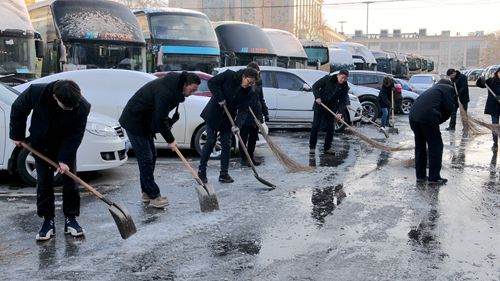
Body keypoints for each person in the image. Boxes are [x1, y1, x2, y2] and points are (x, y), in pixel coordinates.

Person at [9, 80, 91, 241]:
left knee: (70, 182)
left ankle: (71, 219)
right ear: (55, 97)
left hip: (64, 144)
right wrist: (17, 135)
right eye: (65, 106)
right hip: (41, 144)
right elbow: (18, 108)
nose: (70, 110)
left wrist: (65, 159)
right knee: (44, 182)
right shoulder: (36, 92)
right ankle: (48, 221)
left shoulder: (83, 106)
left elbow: (76, 134)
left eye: (72, 107)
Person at [119, 72, 200, 208]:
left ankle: (146, 191)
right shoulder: (167, 92)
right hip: (134, 121)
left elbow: (158, 115)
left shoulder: (175, 89)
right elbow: (160, 119)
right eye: (192, 89)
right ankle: (153, 195)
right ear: (185, 84)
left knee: (152, 156)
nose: (192, 93)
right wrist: (171, 140)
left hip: (145, 122)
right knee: (146, 158)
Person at [197, 67, 259, 183]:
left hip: (227, 119)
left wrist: (237, 125)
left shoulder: (249, 92)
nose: (249, 85)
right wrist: (220, 98)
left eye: (252, 83)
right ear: (244, 76)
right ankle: (201, 172)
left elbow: (243, 110)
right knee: (210, 142)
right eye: (249, 82)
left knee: (226, 145)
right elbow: (212, 83)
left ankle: (224, 174)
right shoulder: (229, 75)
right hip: (214, 114)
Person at [409, 79, 458, 185]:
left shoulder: (433, 89)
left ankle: (420, 176)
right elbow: (449, 108)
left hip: (413, 117)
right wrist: (439, 120)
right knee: (436, 146)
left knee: (420, 147)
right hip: (427, 118)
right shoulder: (449, 89)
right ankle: (434, 178)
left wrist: (436, 120)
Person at [309, 69, 352, 155]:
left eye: (345, 79)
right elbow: (315, 86)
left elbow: (343, 101)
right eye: (342, 77)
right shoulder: (327, 79)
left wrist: (339, 112)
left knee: (331, 128)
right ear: (338, 75)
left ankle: (327, 148)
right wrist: (317, 97)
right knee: (316, 126)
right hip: (320, 105)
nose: (343, 80)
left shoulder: (344, 87)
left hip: (331, 108)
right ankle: (312, 147)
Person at [239, 62, 269, 167]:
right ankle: (243, 158)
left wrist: (265, 112)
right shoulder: (242, 81)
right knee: (243, 137)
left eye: (257, 73)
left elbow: (261, 98)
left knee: (253, 138)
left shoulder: (259, 82)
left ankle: (250, 157)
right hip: (245, 113)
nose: (256, 75)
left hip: (256, 113)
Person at [476, 68, 500, 151]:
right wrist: (480, 80)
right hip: (494, 107)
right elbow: (480, 85)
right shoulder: (491, 81)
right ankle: (495, 143)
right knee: (495, 126)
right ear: (496, 73)